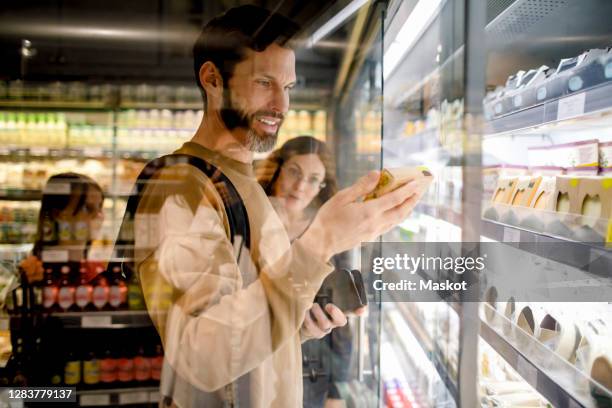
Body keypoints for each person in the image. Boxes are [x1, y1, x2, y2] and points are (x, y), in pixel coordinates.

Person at [130, 5, 421, 407]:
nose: (281, 105)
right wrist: (320, 242)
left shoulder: (243, 181)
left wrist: (297, 325)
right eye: (264, 82)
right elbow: (200, 356)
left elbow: (238, 332)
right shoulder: (180, 187)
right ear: (213, 80)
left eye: (288, 87)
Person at [257, 135, 357, 408]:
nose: (301, 186)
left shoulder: (330, 234)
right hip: (252, 361)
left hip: (308, 374)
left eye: (313, 179)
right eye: (294, 172)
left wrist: (337, 393)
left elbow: (343, 321)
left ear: (322, 186)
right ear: (278, 169)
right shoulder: (251, 216)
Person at [20, 172, 105, 284]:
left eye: (100, 207)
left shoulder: (95, 268)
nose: (99, 215)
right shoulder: (35, 272)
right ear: (58, 214)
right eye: (88, 208)